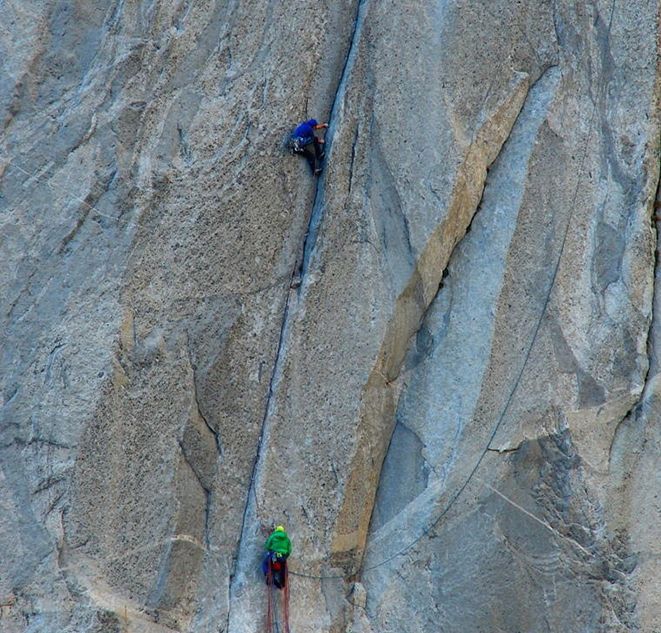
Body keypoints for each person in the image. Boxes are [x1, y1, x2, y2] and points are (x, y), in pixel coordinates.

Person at [262, 525, 292, 589]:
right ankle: (283, 582)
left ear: (276, 530)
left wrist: (270, 550)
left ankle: (269, 575)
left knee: (266, 563)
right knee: (283, 566)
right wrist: (285, 556)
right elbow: (289, 550)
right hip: (282, 557)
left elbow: (267, 545)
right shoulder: (287, 539)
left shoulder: (273, 535)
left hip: (274, 555)